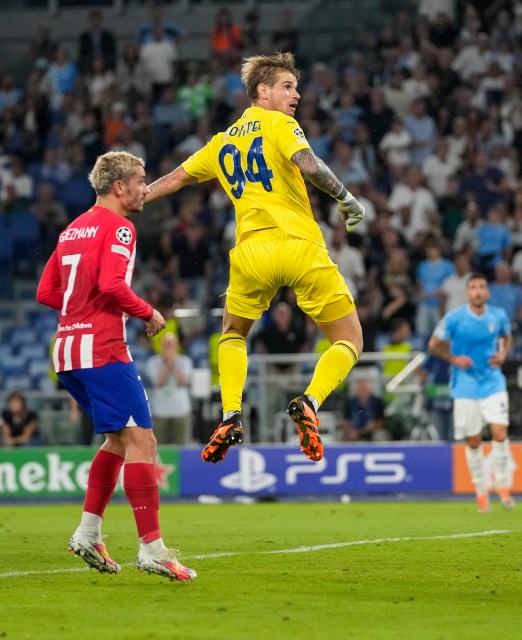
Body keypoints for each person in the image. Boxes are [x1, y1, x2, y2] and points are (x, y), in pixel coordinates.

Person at [143, 52, 366, 464]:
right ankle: (310, 403)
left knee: (233, 332)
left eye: (296, 87)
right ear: (262, 91)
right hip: (299, 246)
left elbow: (175, 179)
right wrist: (346, 197)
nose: (296, 94)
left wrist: (134, 198)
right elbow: (309, 164)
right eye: (287, 86)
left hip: (250, 253)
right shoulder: (281, 124)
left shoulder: (222, 140)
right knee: (350, 339)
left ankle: (230, 414)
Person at [35, 151, 195, 581]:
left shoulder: (72, 229)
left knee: (119, 443)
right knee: (144, 443)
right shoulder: (120, 227)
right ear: (119, 186)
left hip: (67, 350)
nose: (146, 187)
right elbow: (111, 284)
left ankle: (88, 533)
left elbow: (47, 291)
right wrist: (148, 313)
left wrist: (79, 308)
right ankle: (154, 549)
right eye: (142, 180)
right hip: (102, 349)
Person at [428, 274, 515, 512]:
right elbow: (433, 344)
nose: (478, 291)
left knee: (499, 432)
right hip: (465, 385)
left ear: (487, 292)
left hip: (492, 382)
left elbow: (507, 336)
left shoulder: (498, 316)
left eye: (482, 286)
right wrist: (453, 358)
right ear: (467, 293)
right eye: (473, 287)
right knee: (474, 440)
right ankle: (480, 491)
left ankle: (503, 486)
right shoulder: (455, 318)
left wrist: (503, 354)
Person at [144, 333, 194, 445]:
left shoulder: (185, 361)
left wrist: (173, 363)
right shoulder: (153, 362)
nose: (169, 348)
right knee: (160, 446)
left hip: (181, 410)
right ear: (162, 346)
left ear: (177, 345)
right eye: (166, 345)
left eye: (171, 345)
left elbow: (183, 381)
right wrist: (167, 364)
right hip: (160, 411)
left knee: (182, 446)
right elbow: (158, 382)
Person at [339, 376, 389, 442]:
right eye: (361, 389)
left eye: (365, 389)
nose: (363, 392)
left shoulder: (377, 401)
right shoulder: (350, 402)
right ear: (356, 391)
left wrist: (362, 432)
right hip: (353, 430)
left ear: (370, 390)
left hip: (371, 431)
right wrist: (350, 430)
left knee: (380, 435)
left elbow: (381, 422)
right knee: (340, 435)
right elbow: (345, 421)